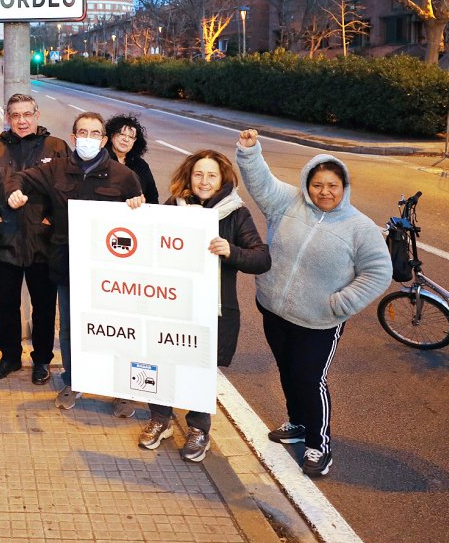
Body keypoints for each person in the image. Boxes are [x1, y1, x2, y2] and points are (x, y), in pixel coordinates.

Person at [236, 129, 391, 478]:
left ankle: (319, 445)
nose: (324, 191)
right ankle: (297, 423)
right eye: (318, 184)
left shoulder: (359, 228)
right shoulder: (288, 202)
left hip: (319, 320)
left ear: (344, 187)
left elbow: (378, 272)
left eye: (332, 185)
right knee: (288, 372)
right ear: (307, 183)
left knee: (310, 379)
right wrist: (249, 151)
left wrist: (342, 303)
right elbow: (260, 181)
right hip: (274, 310)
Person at [135, 150, 270, 463]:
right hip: (172, 305)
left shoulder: (236, 213)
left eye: (212, 175)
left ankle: (199, 429)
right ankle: (161, 419)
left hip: (213, 311)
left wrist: (231, 250)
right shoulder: (174, 207)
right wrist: (137, 212)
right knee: (164, 361)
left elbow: (262, 258)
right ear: (189, 176)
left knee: (201, 370)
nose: (204, 181)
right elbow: (148, 240)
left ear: (222, 179)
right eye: (198, 174)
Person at [3, 111, 142, 414]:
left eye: (95, 133)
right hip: (67, 264)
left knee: (115, 330)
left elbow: (141, 221)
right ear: (73, 138)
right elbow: (20, 178)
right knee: (69, 329)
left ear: (104, 140)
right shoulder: (56, 170)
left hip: (111, 273)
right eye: (82, 133)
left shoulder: (124, 176)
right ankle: (74, 381)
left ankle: (121, 391)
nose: (88, 139)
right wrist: (14, 192)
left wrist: (137, 204)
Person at [0, 94, 68, 386]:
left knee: (45, 307)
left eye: (27, 114)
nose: (22, 120)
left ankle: (42, 360)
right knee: (6, 305)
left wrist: (52, 219)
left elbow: (70, 186)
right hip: (4, 240)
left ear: (37, 115)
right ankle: (9, 357)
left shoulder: (56, 147)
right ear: (7, 118)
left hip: (45, 242)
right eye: (15, 115)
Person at [105, 114, 159, 204]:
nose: (126, 139)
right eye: (121, 134)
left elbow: (152, 197)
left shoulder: (141, 165)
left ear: (135, 141)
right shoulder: (100, 160)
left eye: (131, 137)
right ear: (111, 136)